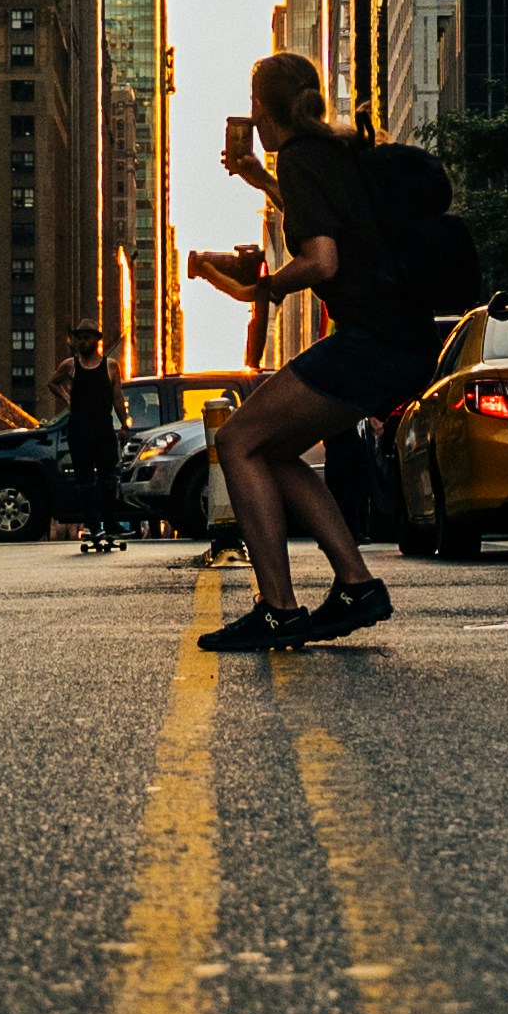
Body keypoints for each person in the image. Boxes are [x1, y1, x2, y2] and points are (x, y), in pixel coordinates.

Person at [191, 50, 453, 656]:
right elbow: (333, 224)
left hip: (373, 339)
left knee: (235, 441)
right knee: (273, 450)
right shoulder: (328, 152)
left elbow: (323, 259)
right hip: (402, 339)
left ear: (262, 109)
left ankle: (279, 610)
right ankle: (356, 587)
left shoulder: (302, 157)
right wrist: (260, 180)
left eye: (253, 102)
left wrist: (268, 288)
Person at [62, 317, 124, 556]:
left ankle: (109, 523)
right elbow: (53, 383)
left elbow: (117, 397)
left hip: (104, 429)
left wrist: (125, 425)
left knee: (109, 478)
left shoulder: (110, 366)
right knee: (85, 481)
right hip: (79, 431)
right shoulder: (71, 366)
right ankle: (93, 526)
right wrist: (67, 397)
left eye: (87, 337)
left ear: (96, 340)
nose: (82, 341)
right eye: (79, 337)